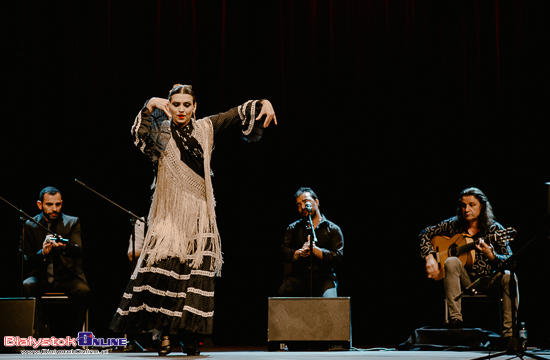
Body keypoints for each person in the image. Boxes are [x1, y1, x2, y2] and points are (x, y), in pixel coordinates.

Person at [110, 84, 277, 356]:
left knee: (194, 278)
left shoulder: (206, 128)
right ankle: (162, 333)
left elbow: (234, 114)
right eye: (176, 104)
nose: (181, 110)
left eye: (187, 105)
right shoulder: (161, 131)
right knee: (163, 271)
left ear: (194, 107)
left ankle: (189, 338)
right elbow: (139, 138)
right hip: (169, 216)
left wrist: (263, 102)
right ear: (169, 105)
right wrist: (150, 104)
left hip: (200, 215)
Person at [419, 187, 517, 338]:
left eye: (472, 205)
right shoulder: (454, 225)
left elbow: (510, 261)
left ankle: (509, 335)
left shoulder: (495, 230)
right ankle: (455, 321)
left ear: (482, 206)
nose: (466, 209)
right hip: (463, 280)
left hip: (487, 280)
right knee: (451, 261)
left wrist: (492, 256)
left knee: (509, 276)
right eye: (463, 205)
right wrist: (429, 256)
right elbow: (425, 234)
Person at [21, 186, 90, 337]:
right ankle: (37, 335)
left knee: (83, 290)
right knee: (27, 285)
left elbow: (78, 250)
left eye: (57, 204)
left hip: (65, 276)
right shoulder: (29, 224)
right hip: (41, 276)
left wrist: (64, 246)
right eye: (49, 204)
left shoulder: (72, 222)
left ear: (61, 203)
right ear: (40, 205)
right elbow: (25, 260)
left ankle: (72, 338)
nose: (54, 209)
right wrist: (42, 253)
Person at [278, 187, 344, 298]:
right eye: (298, 205)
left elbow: (337, 257)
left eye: (305, 202)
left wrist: (317, 251)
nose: (302, 207)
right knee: (283, 293)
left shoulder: (333, 229)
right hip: (299, 277)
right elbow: (284, 251)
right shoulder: (293, 228)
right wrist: (299, 253)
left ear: (316, 202)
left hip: (325, 279)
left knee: (331, 302)